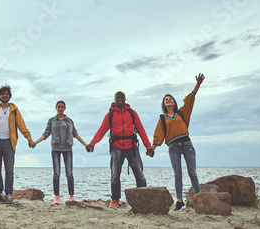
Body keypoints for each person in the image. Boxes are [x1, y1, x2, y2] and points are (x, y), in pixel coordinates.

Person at [86, 91, 154, 209]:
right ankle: (115, 200)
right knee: (115, 175)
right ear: (115, 99)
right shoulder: (110, 115)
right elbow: (101, 130)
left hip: (132, 147)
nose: (120, 99)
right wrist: (92, 144)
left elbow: (141, 130)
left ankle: (143, 199)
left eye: (122, 97)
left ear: (125, 99)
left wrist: (149, 147)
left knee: (140, 175)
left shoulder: (132, 113)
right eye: (118, 98)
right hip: (116, 148)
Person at [151, 73, 205, 211]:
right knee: (178, 174)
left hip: (187, 145)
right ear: (163, 104)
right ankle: (179, 201)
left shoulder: (182, 113)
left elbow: (190, 99)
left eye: (170, 99)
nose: (168, 100)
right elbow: (159, 135)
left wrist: (197, 84)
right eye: (165, 100)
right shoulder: (162, 118)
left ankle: (199, 198)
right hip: (173, 147)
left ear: (174, 102)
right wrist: (152, 148)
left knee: (192, 173)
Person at [34, 100, 88, 204]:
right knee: (56, 173)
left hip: (67, 149)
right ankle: (56, 197)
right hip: (55, 149)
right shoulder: (51, 120)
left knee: (69, 173)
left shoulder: (69, 121)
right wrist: (35, 142)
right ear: (56, 108)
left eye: (62, 107)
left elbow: (75, 134)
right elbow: (46, 134)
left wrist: (86, 145)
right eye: (58, 107)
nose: (60, 109)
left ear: (65, 108)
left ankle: (71, 196)